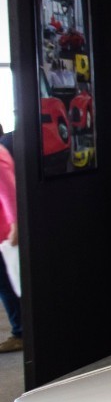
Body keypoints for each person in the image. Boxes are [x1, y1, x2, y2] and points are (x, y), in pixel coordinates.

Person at [0, 132, 19, 353]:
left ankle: (20, 332)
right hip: (5, 229)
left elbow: (8, 191)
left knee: (6, 284)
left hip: (4, 231)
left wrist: (15, 224)